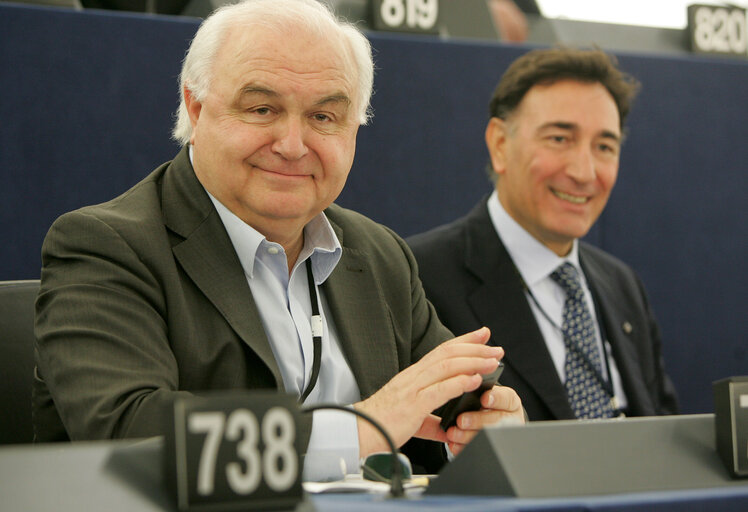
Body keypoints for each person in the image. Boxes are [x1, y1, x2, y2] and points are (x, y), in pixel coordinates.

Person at [32, 0, 524, 480]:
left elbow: (437, 416)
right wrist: (362, 429)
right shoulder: (105, 245)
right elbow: (131, 432)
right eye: (263, 109)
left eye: (323, 118)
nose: (293, 145)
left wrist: (484, 431)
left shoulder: (380, 256)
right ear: (196, 109)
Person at [408, 47, 679, 421]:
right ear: (500, 144)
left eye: (604, 147)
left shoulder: (622, 285)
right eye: (559, 139)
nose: (584, 172)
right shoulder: (419, 278)